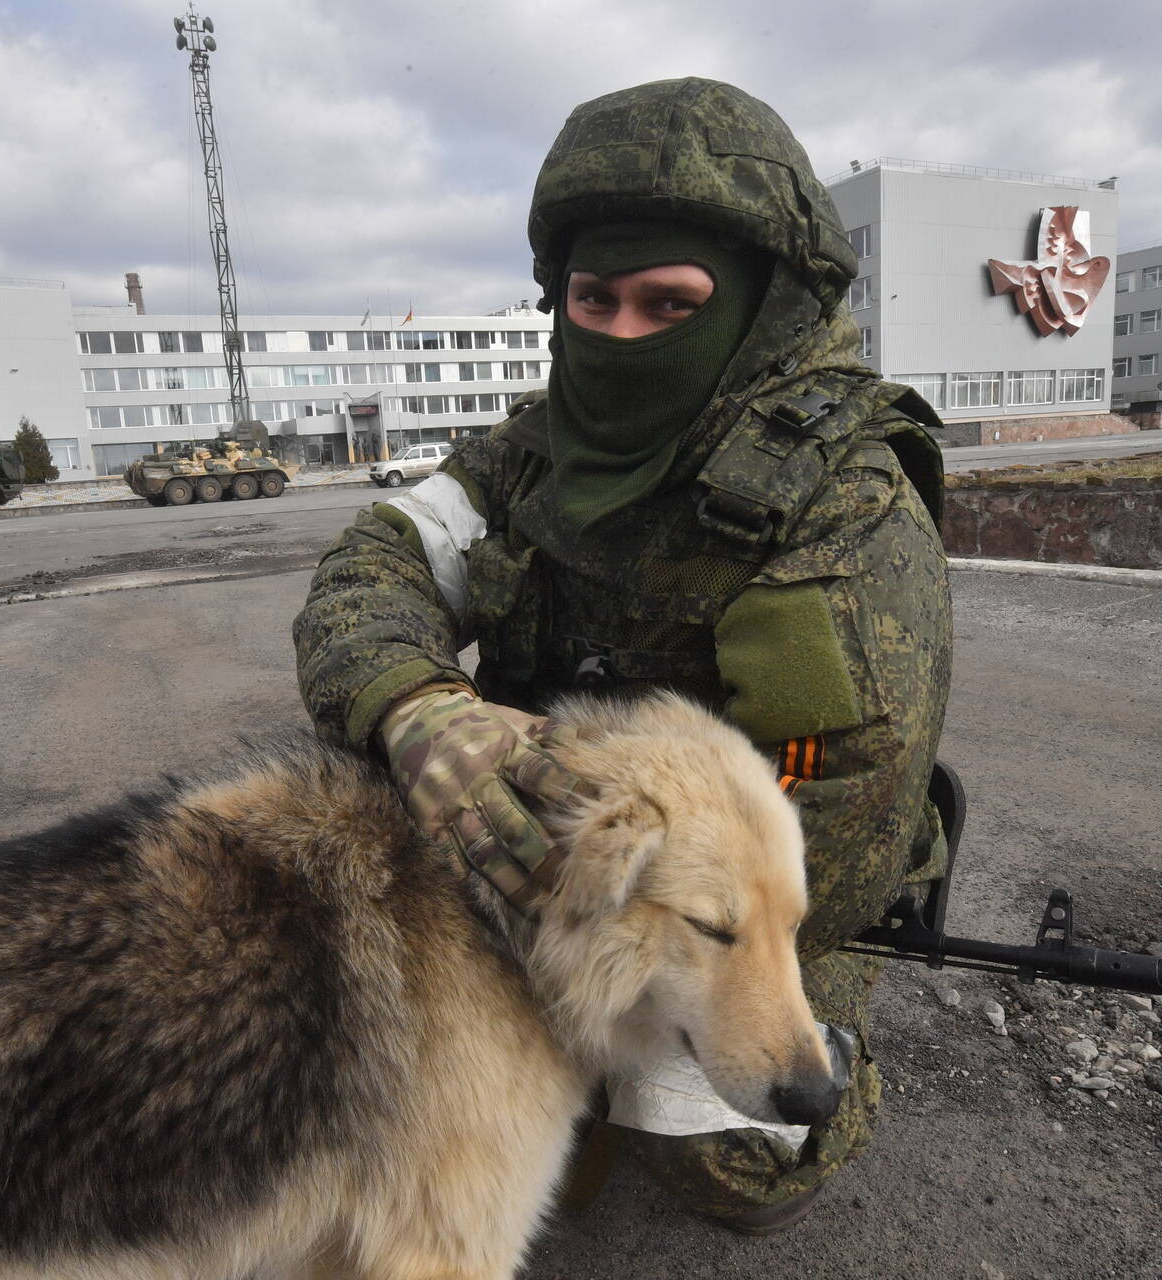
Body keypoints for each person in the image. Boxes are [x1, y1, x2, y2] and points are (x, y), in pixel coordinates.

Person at [293, 77, 951, 1234]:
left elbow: (832, 830)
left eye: (668, 302)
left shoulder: (838, 505)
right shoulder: (525, 454)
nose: (619, 336)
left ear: (753, 306)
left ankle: (837, 1050)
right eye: (592, 299)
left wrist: (580, 950)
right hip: (533, 829)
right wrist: (417, 709)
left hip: (724, 890)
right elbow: (374, 565)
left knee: (732, 1147)